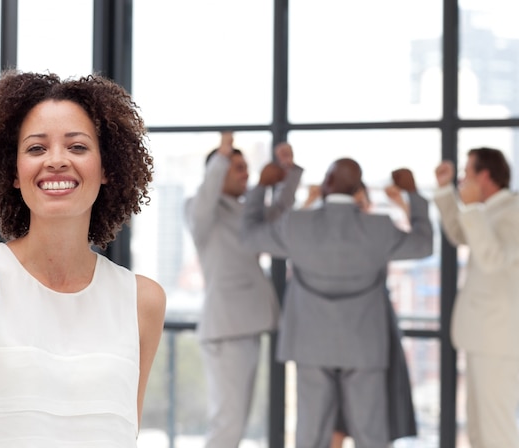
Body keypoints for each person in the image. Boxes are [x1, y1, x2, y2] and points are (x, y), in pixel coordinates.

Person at [0, 70, 166, 447]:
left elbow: (125, 432)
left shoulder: (143, 300)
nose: (56, 161)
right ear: (14, 173)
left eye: (77, 147)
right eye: (36, 148)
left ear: (106, 169)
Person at [241, 158, 433, 448]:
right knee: (371, 435)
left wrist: (262, 186)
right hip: (364, 345)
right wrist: (413, 194)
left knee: (311, 435)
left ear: (328, 183)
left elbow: (249, 236)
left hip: (310, 344)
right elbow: (423, 243)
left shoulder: (297, 224)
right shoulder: (379, 227)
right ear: (357, 187)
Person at [184, 133, 302, 448]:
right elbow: (207, 196)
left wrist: (289, 173)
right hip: (227, 329)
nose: (245, 173)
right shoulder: (201, 209)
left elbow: (278, 213)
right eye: (237, 167)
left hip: (247, 325)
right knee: (228, 423)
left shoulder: (243, 211)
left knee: (236, 422)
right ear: (217, 171)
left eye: (245, 166)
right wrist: (221, 155)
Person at [303, 181, 418, 448]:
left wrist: (403, 204)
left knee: (375, 428)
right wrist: (309, 204)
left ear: (368, 206)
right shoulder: (323, 237)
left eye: (360, 205)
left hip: (373, 340)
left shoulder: (377, 234)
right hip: (332, 345)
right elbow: (291, 234)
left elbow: (420, 243)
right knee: (332, 427)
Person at [433, 147, 519, 448]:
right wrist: (446, 192)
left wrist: (470, 209)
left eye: (466, 174)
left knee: (496, 432)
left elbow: (492, 258)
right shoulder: (490, 212)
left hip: (499, 341)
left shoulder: (515, 211)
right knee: (479, 429)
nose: (462, 180)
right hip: (484, 338)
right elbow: (461, 235)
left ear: (484, 176)